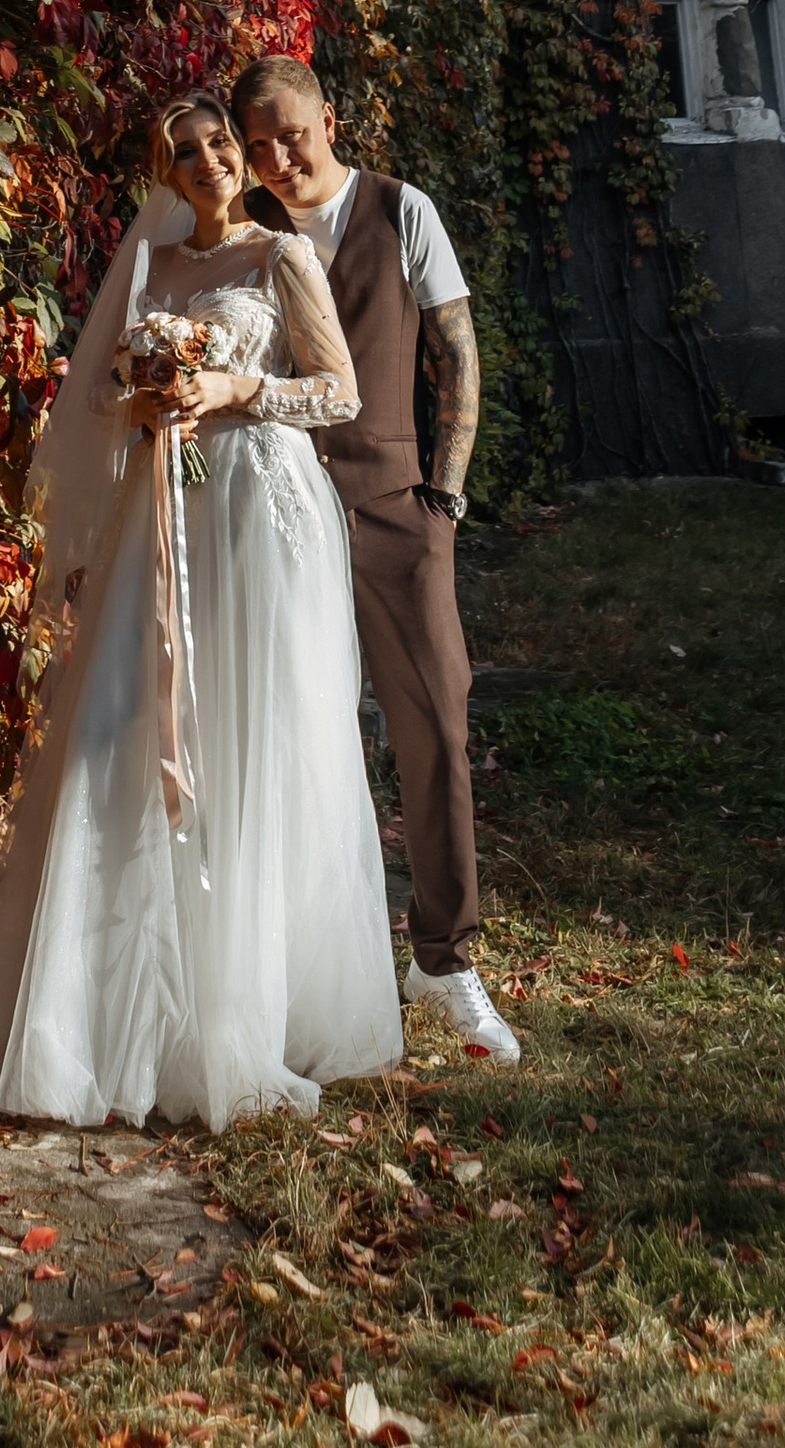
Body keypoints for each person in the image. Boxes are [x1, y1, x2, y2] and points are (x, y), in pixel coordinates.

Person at [0, 90, 403, 1125]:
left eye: (220, 143)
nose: (209, 161)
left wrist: (234, 393)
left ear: (242, 152)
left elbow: (339, 393)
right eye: (185, 154)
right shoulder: (154, 269)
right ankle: (100, 1016)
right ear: (168, 175)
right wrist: (145, 394)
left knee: (254, 737)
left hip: (258, 515)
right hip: (164, 513)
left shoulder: (281, 260)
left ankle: (252, 1006)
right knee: (125, 723)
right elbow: (95, 397)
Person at [234, 53, 521, 1067]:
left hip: (393, 508)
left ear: (328, 118)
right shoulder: (242, 230)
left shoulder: (402, 211)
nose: (276, 156)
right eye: (256, 142)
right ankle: (297, 973)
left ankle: (444, 961)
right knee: (287, 743)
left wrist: (441, 494)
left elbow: (457, 350)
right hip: (269, 513)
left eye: (290, 133)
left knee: (435, 722)